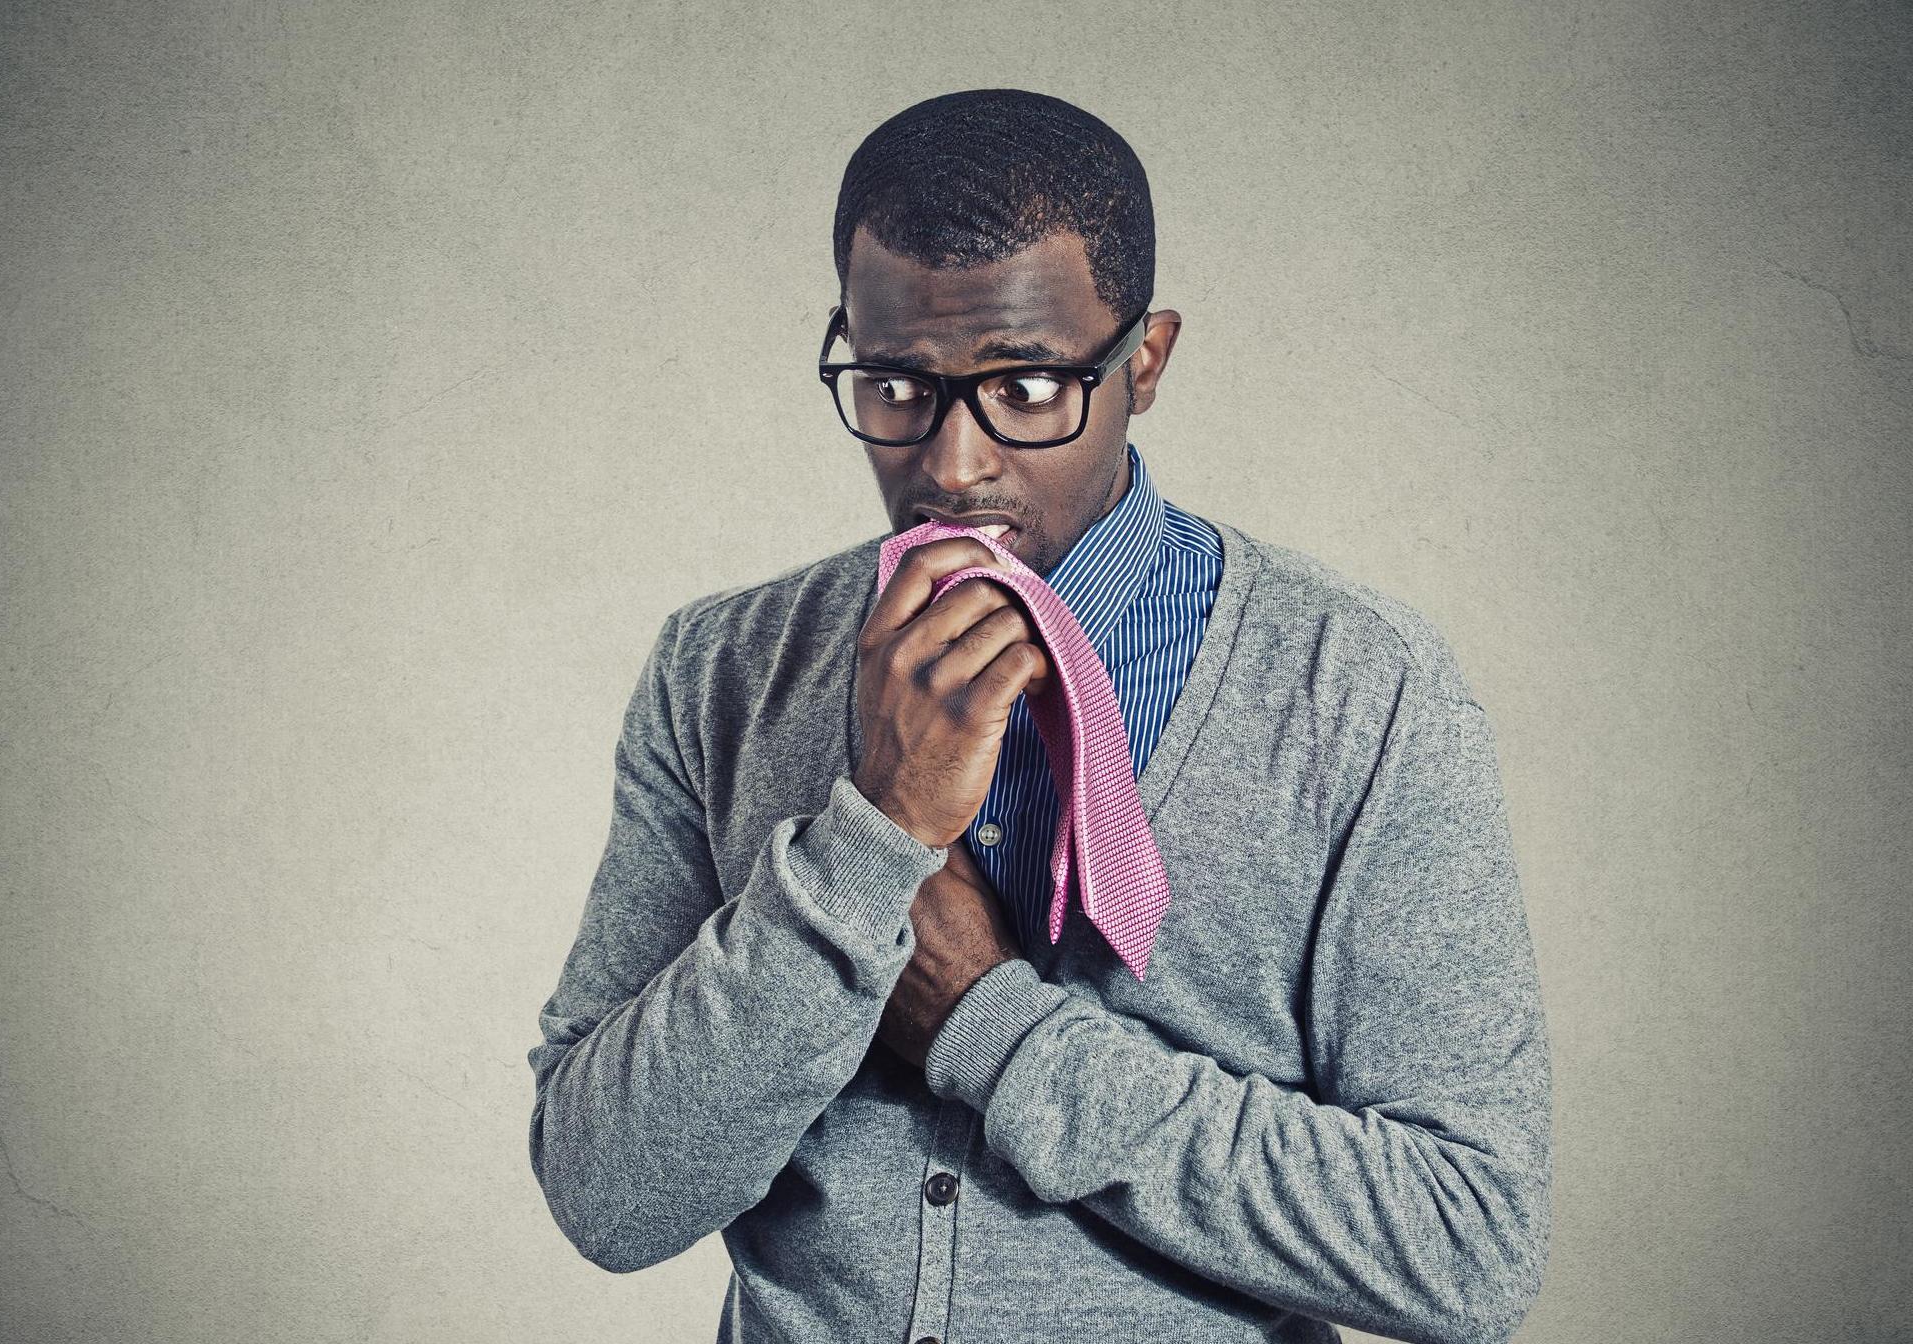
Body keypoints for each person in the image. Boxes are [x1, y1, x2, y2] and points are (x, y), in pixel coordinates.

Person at [526, 88, 1553, 1344]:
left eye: (1024, 387)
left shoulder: (1357, 689)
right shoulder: (721, 669)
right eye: (895, 384)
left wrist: (993, 1025)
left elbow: (1468, 1245)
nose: (951, 466)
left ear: (1146, 361)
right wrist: (866, 848)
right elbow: (606, 1197)